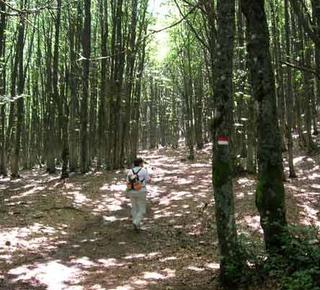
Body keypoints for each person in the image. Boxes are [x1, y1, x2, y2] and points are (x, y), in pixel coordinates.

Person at [126, 157, 150, 231]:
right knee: (142, 209)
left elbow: (127, 181)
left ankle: (136, 224)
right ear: (140, 163)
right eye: (142, 163)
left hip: (131, 191)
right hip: (141, 190)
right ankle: (136, 222)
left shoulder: (130, 171)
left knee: (134, 207)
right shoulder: (144, 170)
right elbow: (148, 180)